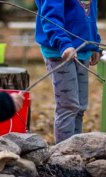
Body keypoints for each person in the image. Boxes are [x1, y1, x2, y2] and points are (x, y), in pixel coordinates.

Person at [35, 0, 101, 143]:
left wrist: (94, 44)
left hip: (83, 49)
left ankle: (74, 150)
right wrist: (63, 44)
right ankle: (63, 155)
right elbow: (50, 17)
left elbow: (90, 16)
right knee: (68, 106)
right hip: (60, 51)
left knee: (80, 107)